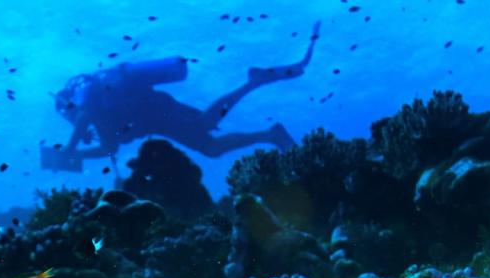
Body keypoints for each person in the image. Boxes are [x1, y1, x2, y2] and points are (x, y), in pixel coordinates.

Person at [41, 22, 320, 172]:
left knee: (209, 127)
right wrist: (76, 154)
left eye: (67, 114)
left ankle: (255, 89)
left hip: (159, 111)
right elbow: (109, 149)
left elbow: (85, 116)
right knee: (212, 146)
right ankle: (270, 132)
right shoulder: (97, 112)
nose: (70, 118)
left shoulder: (83, 92)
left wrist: (68, 151)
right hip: (158, 120)